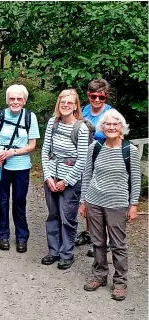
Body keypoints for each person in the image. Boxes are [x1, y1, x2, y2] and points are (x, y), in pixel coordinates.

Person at [79, 109, 140, 301]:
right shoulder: (94, 148)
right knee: (97, 241)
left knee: (118, 244)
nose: (111, 127)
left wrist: (134, 205)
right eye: (108, 124)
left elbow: (135, 180)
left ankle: (120, 282)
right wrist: (83, 202)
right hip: (94, 201)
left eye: (115, 124)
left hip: (118, 203)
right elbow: (87, 176)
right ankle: (99, 275)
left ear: (122, 127)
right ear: (102, 127)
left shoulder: (129, 150)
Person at [40, 89, 89, 269]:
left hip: (70, 180)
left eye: (70, 102)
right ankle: (53, 251)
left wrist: (65, 181)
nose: (66, 105)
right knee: (52, 215)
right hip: (51, 178)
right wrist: (47, 177)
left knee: (67, 217)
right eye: (63, 102)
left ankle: (66, 253)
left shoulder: (81, 128)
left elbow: (82, 160)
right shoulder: (53, 123)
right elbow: (45, 152)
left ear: (76, 105)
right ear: (58, 104)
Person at [0, 84, 40, 253]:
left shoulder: (29, 117)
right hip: (1, 166)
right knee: (2, 201)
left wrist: (13, 152)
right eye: (12, 98)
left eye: (19, 99)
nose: (15, 102)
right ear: (7, 100)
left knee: (19, 201)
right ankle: (2, 235)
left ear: (24, 101)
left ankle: (21, 237)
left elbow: (32, 145)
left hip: (21, 166)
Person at [76, 79, 116, 256]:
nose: (97, 100)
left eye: (102, 96)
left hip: (103, 159)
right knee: (86, 197)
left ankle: (103, 238)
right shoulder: (84, 109)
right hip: (85, 158)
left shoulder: (111, 113)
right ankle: (90, 232)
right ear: (88, 95)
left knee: (101, 199)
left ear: (106, 96)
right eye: (94, 96)